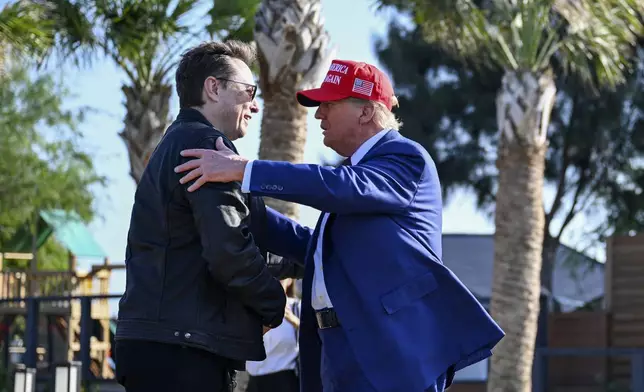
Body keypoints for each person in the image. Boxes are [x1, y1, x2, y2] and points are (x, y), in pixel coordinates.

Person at [174, 59, 505, 392]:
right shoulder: (354, 177)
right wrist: (239, 203)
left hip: (390, 352)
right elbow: (314, 247)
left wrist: (246, 171)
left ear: (365, 111)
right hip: (338, 352)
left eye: (329, 104)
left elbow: (343, 187)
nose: (319, 114)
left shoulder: (405, 157)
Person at [114, 40, 286, 392]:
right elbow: (228, 249)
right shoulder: (206, 146)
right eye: (248, 91)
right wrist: (273, 303)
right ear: (213, 87)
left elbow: (218, 238)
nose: (254, 105)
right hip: (185, 354)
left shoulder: (175, 141)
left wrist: (307, 259)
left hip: (161, 345)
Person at [246, 278, 301, 392]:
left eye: (281, 278)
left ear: (290, 281)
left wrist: (294, 321)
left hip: (284, 381)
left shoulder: (296, 307)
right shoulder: (249, 308)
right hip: (253, 382)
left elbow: (314, 338)